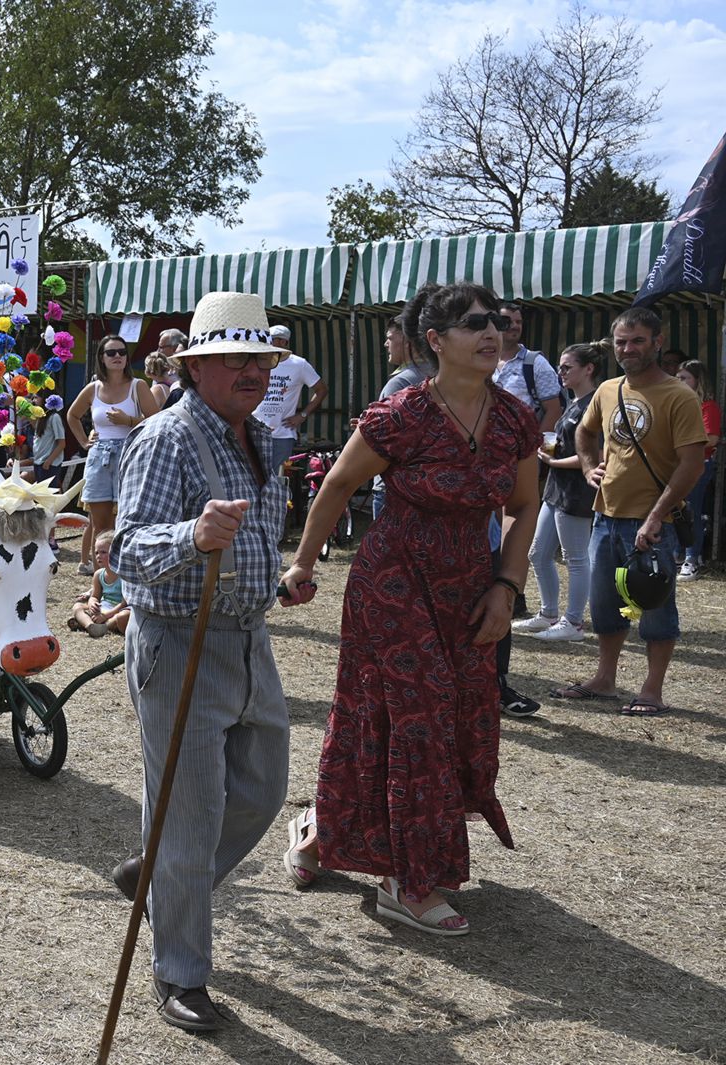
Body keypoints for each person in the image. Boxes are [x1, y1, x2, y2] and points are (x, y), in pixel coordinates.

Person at [281, 281, 540, 938]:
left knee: (442, 724)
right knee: (411, 719)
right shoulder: (400, 415)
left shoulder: (514, 419)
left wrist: (507, 585)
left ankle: (321, 836)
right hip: (392, 583)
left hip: (469, 591)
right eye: (474, 322)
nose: (491, 331)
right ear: (435, 339)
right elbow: (338, 483)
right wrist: (304, 563)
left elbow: (526, 504)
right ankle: (408, 882)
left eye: (498, 321)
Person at [109, 291, 294, 1033]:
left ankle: (157, 879)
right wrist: (193, 535)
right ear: (199, 365)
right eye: (238, 358)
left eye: (262, 359)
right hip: (182, 639)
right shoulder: (167, 436)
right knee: (187, 817)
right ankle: (180, 970)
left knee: (262, 788)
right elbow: (126, 551)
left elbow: (254, 536)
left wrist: (280, 573)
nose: (254, 370)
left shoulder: (255, 435)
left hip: (248, 636)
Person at [554, 306, 707, 715]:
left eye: (638, 340)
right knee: (604, 605)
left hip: (657, 524)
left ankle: (652, 690)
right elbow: (583, 432)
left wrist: (657, 516)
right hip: (606, 517)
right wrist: (589, 466)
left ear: (657, 341)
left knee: (655, 607)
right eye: (621, 342)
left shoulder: (679, 395)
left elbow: (692, 464)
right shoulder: (607, 390)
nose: (628, 349)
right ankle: (605, 680)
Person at [513, 342, 603, 642]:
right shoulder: (574, 402)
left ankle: (574, 623)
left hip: (576, 490)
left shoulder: (595, 404)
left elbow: (596, 455)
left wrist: (554, 461)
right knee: (537, 553)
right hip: (556, 489)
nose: (560, 372)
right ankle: (549, 613)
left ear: (588, 369)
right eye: (559, 366)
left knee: (575, 558)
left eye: (567, 367)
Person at [66, 335, 160, 575]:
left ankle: (122, 581)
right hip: (99, 456)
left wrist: (128, 420)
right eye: (111, 353)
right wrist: (84, 441)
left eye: (121, 352)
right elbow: (72, 415)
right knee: (100, 525)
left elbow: (158, 420)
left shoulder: (137, 386)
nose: (118, 356)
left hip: (129, 455)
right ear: (102, 358)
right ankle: (102, 583)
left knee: (124, 523)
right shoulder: (94, 388)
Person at [369, 312, 432, 518]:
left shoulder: (400, 382)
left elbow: (385, 442)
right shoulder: (439, 373)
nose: (386, 344)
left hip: (393, 487)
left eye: (389, 337)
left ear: (406, 340)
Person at [254, 324, 325, 474]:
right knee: (252, 476)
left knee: (278, 480)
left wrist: (302, 415)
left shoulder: (299, 364)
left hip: (282, 434)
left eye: (279, 340)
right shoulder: (258, 361)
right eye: (272, 340)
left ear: (285, 343)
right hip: (255, 431)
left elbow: (321, 390)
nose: (275, 343)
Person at [675, 359, 718, 580]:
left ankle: (692, 560)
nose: (678, 381)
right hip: (678, 465)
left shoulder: (707, 406)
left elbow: (712, 438)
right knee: (676, 510)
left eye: (684, 378)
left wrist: (684, 445)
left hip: (698, 466)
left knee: (691, 511)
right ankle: (678, 556)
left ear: (698, 381)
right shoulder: (681, 404)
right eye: (678, 377)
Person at [492, 302, 562, 433]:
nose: (514, 326)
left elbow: (554, 411)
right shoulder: (485, 361)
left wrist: (535, 448)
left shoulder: (536, 363)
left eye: (519, 322)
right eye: (507, 321)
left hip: (523, 448)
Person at [69, 529, 128, 636]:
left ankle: (103, 627)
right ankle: (90, 626)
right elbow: (95, 596)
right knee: (77, 606)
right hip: (102, 608)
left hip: (117, 610)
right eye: (96, 552)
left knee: (124, 616)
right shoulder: (98, 574)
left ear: (117, 553)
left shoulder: (124, 575)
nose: (98, 556)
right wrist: (92, 603)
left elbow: (124, 603)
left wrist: (105, 616)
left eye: (103, 552)